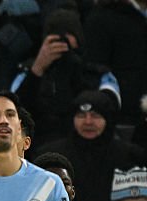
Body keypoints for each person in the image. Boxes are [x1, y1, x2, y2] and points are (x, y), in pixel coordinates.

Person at [9, 9, 120, 146]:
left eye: (67, 34)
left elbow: (109, 109)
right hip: (39, 146)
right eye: (55, 35)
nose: (61, 40)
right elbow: (15, 112)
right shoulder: (27, 72)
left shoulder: (99, 74)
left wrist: (75, 67)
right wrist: (37, 70)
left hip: (88, 146)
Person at [38, 90, 147, 201]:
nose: (88, 122)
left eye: (95, 116)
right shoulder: (51, 156)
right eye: (81, 115)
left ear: (108, 119)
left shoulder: (131, 155)